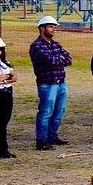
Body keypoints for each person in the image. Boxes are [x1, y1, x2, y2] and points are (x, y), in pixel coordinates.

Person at [28, 15, 72, 150]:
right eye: (51, 27)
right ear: (42, 28)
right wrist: (58, 58)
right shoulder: (36, 46)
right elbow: (49, 61)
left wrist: (56, 59)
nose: (54, 29)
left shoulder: (56, 44)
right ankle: (41, 140)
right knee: (46, 112)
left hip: (60, 83)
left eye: (54, 27)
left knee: (59, 112)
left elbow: (69, 59)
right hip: (47, 84)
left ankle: (52, 136)